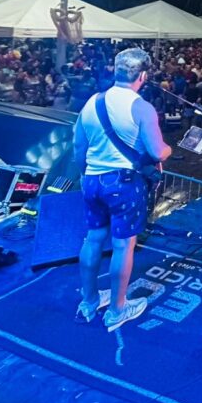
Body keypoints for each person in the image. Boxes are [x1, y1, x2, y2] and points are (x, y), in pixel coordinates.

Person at [73, 48, 171, 331]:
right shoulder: (141, 107)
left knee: (92, 239)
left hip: (92, 179)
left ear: (115, 71)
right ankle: (117, 309)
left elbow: (79, 146)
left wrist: (85, 174)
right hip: (123, 184)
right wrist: (169, 149)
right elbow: (157, 151)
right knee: (123, 245)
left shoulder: (92, 102)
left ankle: (89, 301)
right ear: (143, 75)